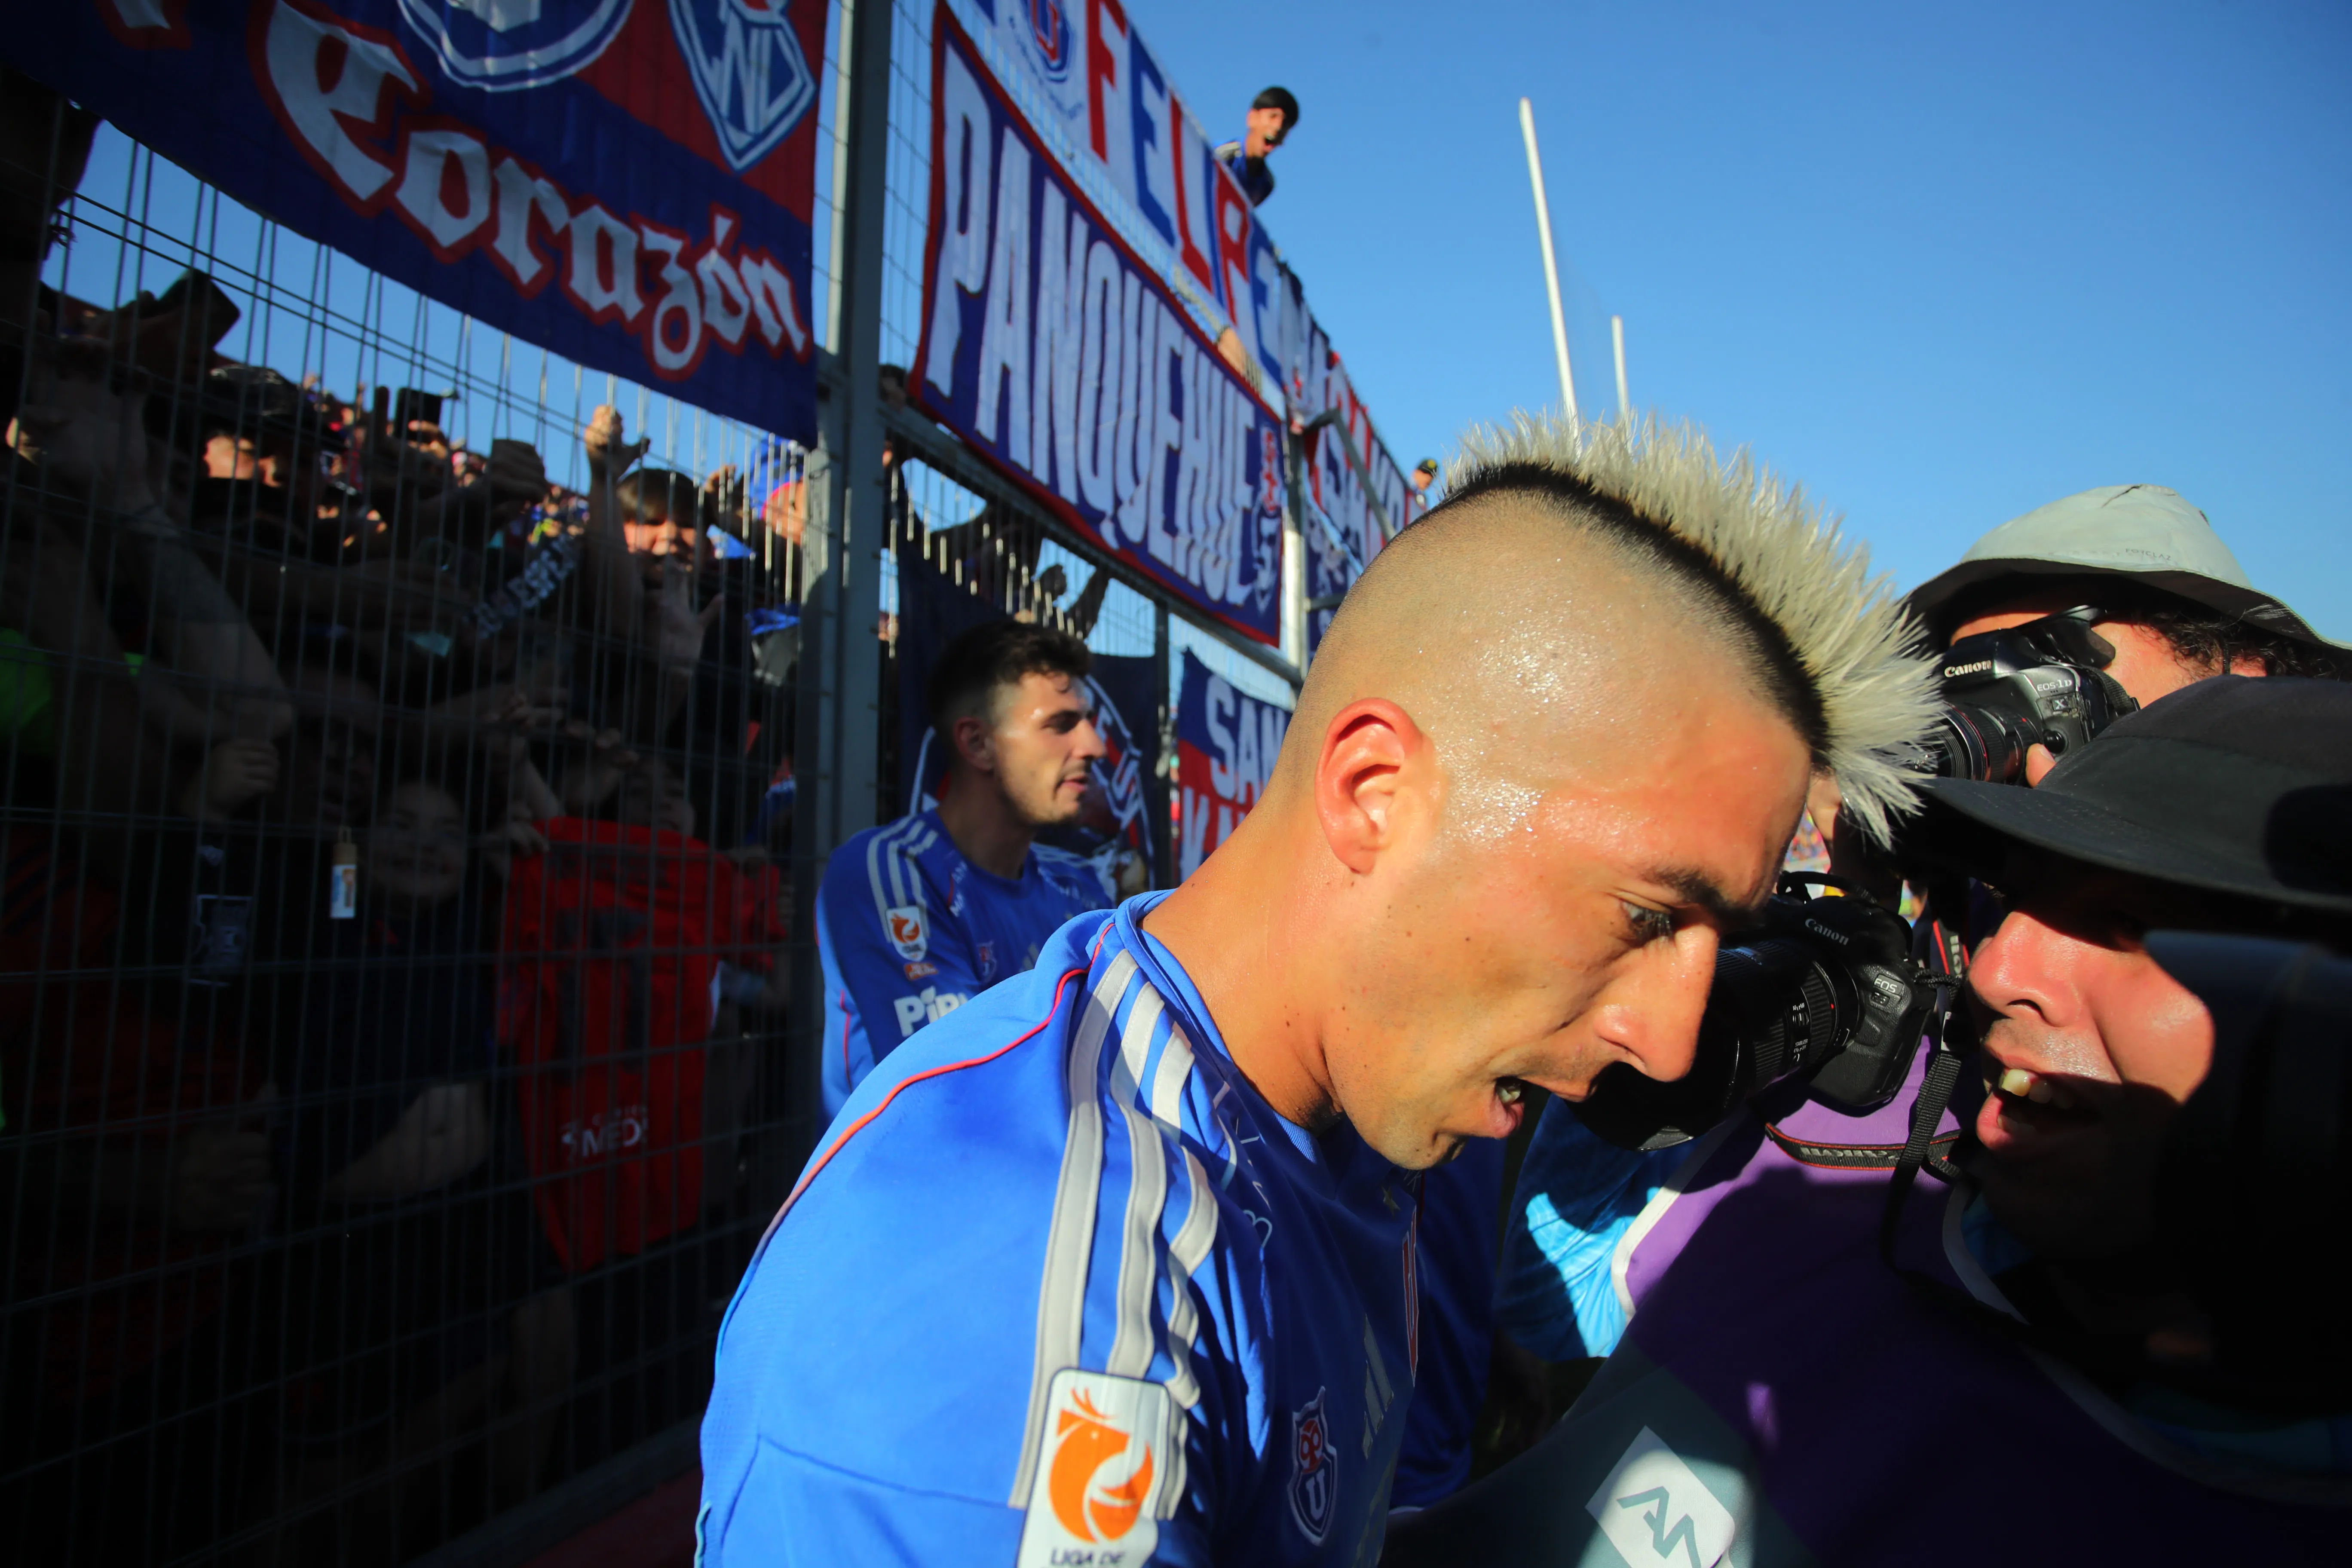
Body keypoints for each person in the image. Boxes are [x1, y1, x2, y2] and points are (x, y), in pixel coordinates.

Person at [696, 415, 1934, 1565]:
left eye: (1722, 938)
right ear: (1376, 794)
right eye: (1647, 917)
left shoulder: (1333, 1122)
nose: (1670, 1046)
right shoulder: (1026, 1275)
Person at [1384, 674, 2352, 1563]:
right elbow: (1550, 1304)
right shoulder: (1815, 1195)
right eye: (2019, 899)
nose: (2006, 971)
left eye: (2131, 928)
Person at [1491, 478, 2347, 1382]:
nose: (2010, 967)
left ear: (2248, 682)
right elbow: (1555, 1300)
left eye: (2060, 668)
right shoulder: (1893, 1021)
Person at [813, 619, 1115, 1115]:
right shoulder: (889, 870)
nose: (1093, 747)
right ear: (977, 744)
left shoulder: (1078, 885)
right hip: (916, 1184)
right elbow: (965, 1084)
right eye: (1061, 724)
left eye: (1086, 722)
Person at [1215, 87, 1299, 208]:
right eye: (1273, 116)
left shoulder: (1266, 184)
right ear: (1252, 118)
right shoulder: (1222, 156)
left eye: (1285, 123)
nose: (1278, 127)